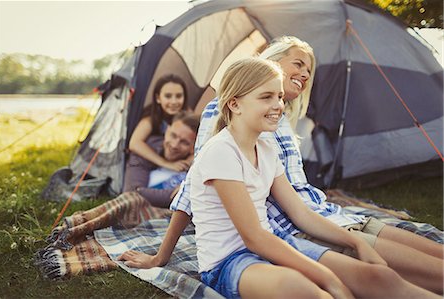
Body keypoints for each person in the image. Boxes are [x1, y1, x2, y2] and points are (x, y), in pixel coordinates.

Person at [119, 37, 443, 294]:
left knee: (407, 268)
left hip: (321, 219)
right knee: (363, 280)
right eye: (297, 64)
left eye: (308, 71)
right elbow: (204, 195)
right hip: (279, 237)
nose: (303, 75)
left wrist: (355, 241)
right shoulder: (225, 133)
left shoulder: (272, 132)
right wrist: (161, 256)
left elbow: (298, 206)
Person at [123, 111, 199, 207]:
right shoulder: (146, 150)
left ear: (194, 147)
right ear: (166, 130)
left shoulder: (198, 165)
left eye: (184, 142)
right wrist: (185, 193)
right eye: (173, 135)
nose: (175, 145)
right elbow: (131, 194)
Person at [127, 74, 191, 175]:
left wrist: (188, 162)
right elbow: (134, 143)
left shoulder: (188, 116)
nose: (174, 102)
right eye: (168, 96)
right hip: (154, 164)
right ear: (158, 98)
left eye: (178, 96)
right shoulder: (151, 118)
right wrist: (165, 163)